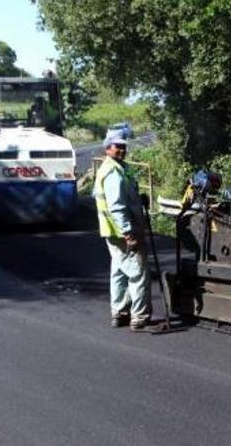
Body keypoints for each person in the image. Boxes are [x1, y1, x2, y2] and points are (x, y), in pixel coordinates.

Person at [93, 134, 151, 331]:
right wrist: (128, 233)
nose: (122, 150)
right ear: (107, 149)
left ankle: (119, 312)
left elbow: (124, 197)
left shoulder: (119, 168)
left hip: (113, 231)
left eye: (124, 147)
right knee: (138, 272)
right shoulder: (112, 173)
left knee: (118, 271)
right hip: (122, 232)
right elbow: (116, 206)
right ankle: (139, 316)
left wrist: (138, 197)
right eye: (117, 147)